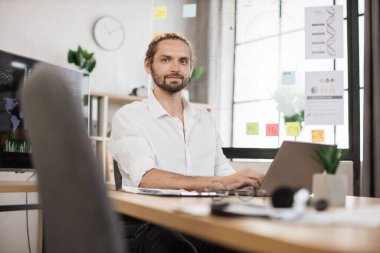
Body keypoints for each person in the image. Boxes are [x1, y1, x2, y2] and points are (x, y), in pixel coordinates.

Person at [109, 33, 264, 253]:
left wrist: (249, 183)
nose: (175, 67)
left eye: (183, 61)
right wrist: (222, 182)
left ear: (190, 68)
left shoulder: (205, 119)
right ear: (148, 65)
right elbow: (146, 178)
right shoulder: (129, 116)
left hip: (205, 220)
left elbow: (223, 172)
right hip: (154, 223)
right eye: (166, 59)